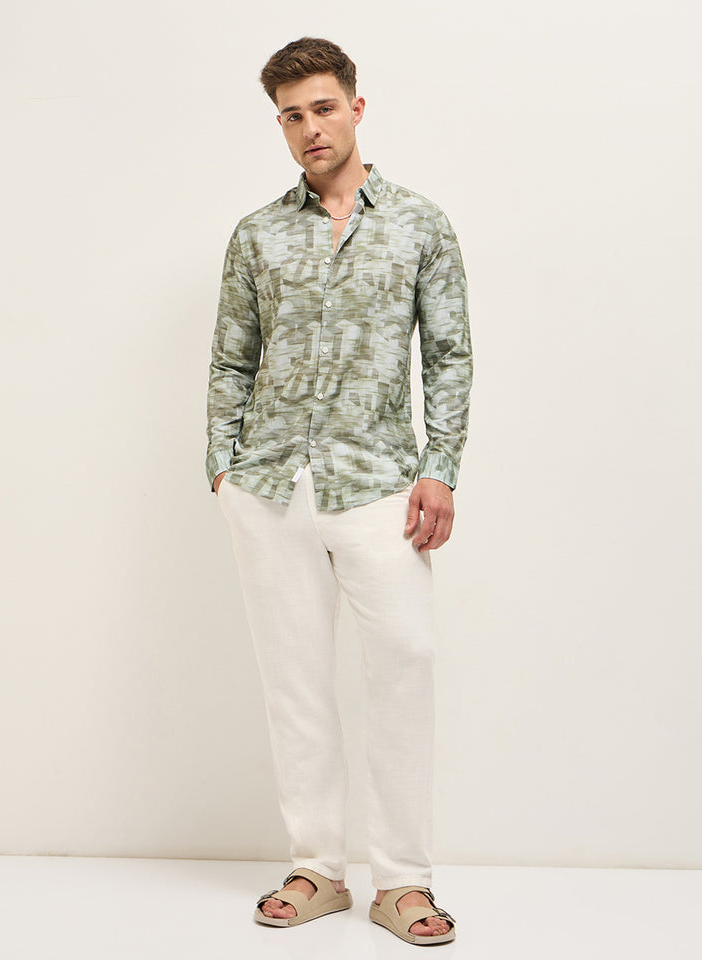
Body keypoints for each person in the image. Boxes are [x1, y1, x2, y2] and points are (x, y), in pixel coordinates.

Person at [205, 36, 472, 946]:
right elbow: (231, 358)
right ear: (279, 125)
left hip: (380, 481)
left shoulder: (421, 224)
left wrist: (440, 466)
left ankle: (402, 882)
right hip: (270, 483)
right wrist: (222, 463)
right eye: (291, 115)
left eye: (322, 107)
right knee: (295, 680)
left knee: (405, 662)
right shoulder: (257, 234)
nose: (309, 127)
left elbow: (449, 357)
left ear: (356, 107)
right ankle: (317, 866)